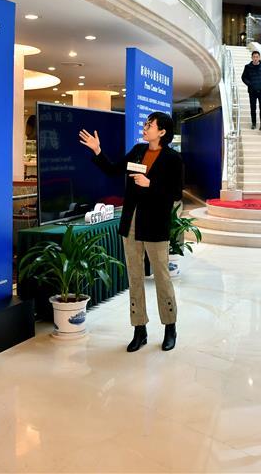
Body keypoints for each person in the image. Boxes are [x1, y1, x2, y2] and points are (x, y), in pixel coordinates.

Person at [79, 112, 183, 352]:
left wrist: (151, 184)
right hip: (132, 222)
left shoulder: (172, 158)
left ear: (162, 132)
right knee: (134, 277)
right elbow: (114, 170)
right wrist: (97, 151)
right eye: (145, 123)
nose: (145, 127)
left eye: (150, 125)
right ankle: (139, 329)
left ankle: (170, 327)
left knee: (162, 277)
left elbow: (176, 192)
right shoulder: (138, 151)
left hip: (156, 224)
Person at [240, 50, 261, 132]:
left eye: (257, 57)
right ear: (252, 57)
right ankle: (253, 123)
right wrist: (249, 84)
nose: (255, 58)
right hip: (252, 91)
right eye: (254, 57)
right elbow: (243, 77)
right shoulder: (247, 67)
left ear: (259, 57)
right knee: (253, 108)